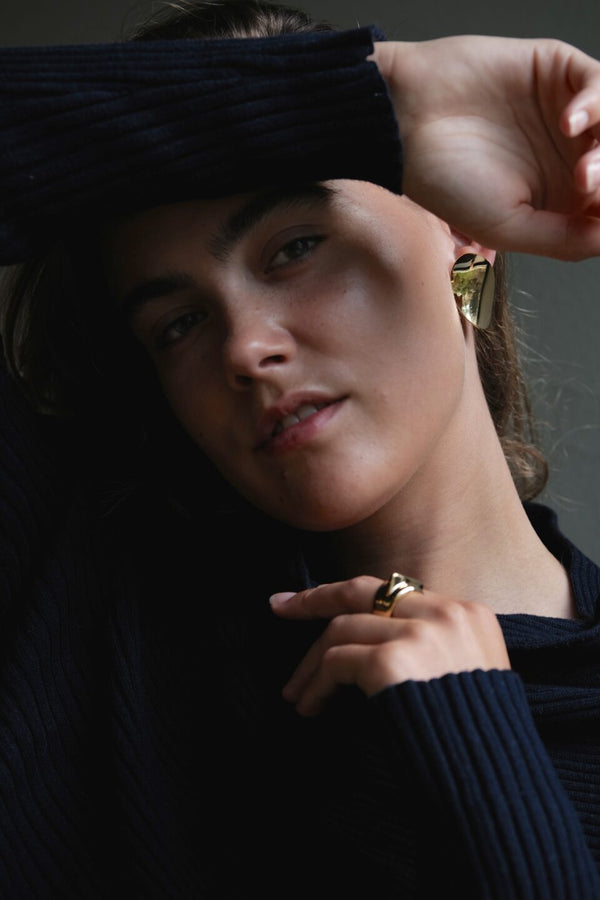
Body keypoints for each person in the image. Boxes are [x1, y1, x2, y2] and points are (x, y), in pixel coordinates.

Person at [0, 0, 600, 896]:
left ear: (462, 238)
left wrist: (473, 733)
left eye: (296, 249)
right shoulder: (90, 596)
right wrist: (383, 93)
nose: (244, 350)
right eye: (179, 324)